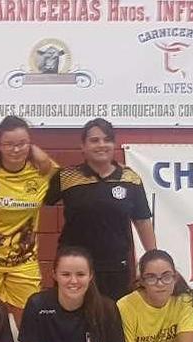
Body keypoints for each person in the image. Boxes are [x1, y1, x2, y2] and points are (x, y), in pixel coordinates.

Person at [45, 118, 156, 301]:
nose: (101, 145)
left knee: (113, 320)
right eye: (94, 140)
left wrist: (152, 258)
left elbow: (142, 221)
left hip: (117, 267)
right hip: (75, 267)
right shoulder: (66, 177)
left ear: (114, 144)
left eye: (107, 139)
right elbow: (37, 203)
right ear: (83, 146)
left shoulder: (130, 178)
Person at [0, 115, 57, 326]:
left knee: (29, 317)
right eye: (8, 144)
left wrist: (41, 157)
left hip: (23, 260)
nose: (15, 150)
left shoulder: (40, 170)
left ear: (30, 144)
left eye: (22, 144)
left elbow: (57, 173)